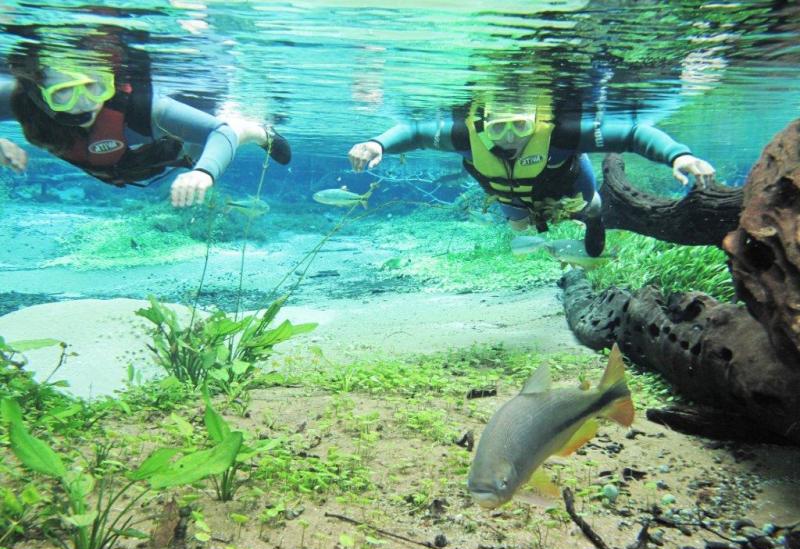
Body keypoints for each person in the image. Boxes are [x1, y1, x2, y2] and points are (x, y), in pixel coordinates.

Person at [348, 94, 715, 256]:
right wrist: (377, 144)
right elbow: (413, 132)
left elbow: (634, 133)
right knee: (521, 229)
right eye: (498, 128)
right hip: (507, 193)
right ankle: (534, 220)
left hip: (565, 181)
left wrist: (677, 156)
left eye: (521, 126)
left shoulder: (562, 132)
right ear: (482, 123)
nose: (509, 137)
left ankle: (594, 221)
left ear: (538, 121)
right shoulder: (463, 133)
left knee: (588, 208)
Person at [0, 43, 291, 207]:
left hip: (166, 148)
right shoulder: (23, 102)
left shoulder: (142, 108)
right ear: (37, 93)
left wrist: (204, 173)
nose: (85, 103)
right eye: (65, 92)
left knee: (209, 140)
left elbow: (219, 132)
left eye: (96, 87)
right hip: (119, 163)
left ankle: (256, 131)